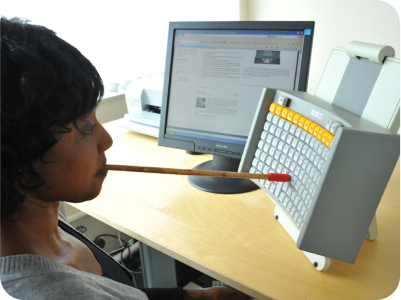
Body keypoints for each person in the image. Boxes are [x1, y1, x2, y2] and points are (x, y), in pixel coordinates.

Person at [0, 17, 251, 300]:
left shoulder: (34, 212)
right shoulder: (57, 292)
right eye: (84, 125)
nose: (105, 140)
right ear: (19, 147)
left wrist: (200, 297)